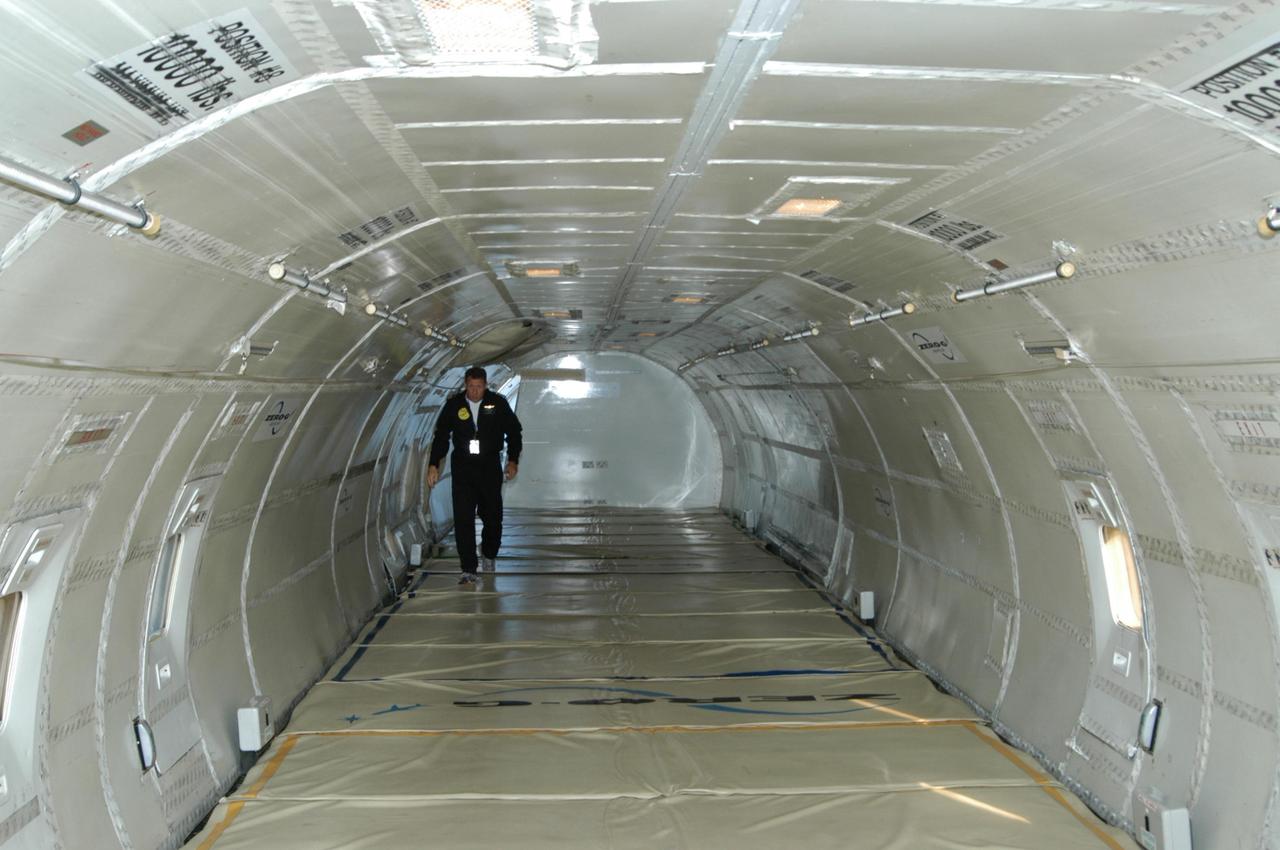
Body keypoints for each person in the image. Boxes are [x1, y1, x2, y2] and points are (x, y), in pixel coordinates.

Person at [426, 366, 522, 584]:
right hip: (463, 467)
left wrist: (513, 460)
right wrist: (433, 464)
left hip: (489, 465)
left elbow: (514, 431)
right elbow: (441, 436)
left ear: (485, 385)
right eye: (471, 386)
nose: (475, 391)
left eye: (479, 387)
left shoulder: (497, 403)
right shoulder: (454, 405)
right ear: (465, 385)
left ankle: (488, 552)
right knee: (463, 518)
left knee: (492, 515)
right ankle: (468, 567)